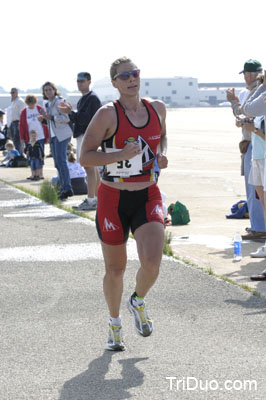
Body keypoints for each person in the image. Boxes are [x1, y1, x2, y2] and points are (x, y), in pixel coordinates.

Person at [80, 56, 168, 351]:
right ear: (115, 82)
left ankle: (138, 301)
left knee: (152, 262)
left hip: (148, 194)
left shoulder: (157, 108)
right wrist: (119, 155)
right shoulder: (108, 114)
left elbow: (161, 139)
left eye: (135, 73)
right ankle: (114, 325)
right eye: (125, 75)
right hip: (113, 197)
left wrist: (160, 157)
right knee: (115, 269)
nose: (132, 79)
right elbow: (85, 156)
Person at [226, 59, 266, 240]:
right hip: (251, 144)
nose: (248, 77)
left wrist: (236, 105)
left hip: (258, 143)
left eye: (253, 74)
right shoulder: (245, 93)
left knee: (258, 190)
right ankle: (257, 226)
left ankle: (260, 227)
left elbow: (247, 110)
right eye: (246, 73)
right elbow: (242, 112)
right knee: (253, 189)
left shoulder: (258, 93)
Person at [58, 72, 102, 210]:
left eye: (82, 81)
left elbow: (86, 119)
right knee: (92, 168)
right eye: (78, 81)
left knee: (89, 167)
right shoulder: (86, 98)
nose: (79, 83)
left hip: (87, 135)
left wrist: (70, 113)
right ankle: (97, 198)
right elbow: (82, 118)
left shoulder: (92, 98)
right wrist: (71, 113)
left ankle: (91, 199)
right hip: (86, 135)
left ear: (89, 82)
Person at [241, 70, 266, 275]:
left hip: (264, 156)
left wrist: (254, 130)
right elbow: (247, 108)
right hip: (259, 156)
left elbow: (248, 108)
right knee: (264, 204)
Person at [39, 81, 73, 200]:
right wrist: (44, 119)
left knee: (61, 161)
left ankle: (67, 188)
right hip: (54, 136)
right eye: (46, 90)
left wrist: (51, 117)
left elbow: (66, 118)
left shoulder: (59, 101)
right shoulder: (48, 103)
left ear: (54, 90)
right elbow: (51, 121)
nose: (48, 92)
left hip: (62, 135)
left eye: (50, 89)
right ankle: (64, 187)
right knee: (57, 162)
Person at [19, 94, 49, 179]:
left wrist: (47, 136)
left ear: (35, 102)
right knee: (31, 156)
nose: (31, 105)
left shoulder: (40, 109)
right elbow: (21, 126)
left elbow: (46, 121)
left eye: (32, 103)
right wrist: (22, 138)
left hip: (40, 136)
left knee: (40, 155)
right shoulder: (24, 112)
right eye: (29, 103)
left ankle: (40, 174)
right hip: (30, 138)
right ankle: (33, 174)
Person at [9, 88, 25, 154]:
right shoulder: (13, 101)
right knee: (14, 140)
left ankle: (20, 154)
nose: (12, 94)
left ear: (17, 93)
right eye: (11, 93)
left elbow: (22, 113)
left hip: (18, 122)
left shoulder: (20, 101)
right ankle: (17, 154)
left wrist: (20, 123)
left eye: (13, 92)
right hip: (12, 122)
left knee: (18, 140)